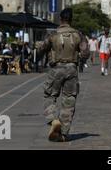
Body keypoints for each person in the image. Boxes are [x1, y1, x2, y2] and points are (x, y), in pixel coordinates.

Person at [37, 8, 90, 142]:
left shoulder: (53, 34)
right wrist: (80, 61)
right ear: (71, 19)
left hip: (56, 68)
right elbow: (85, 52)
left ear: (61, 19)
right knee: (69, 99)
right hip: (72, 69)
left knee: (50, 95)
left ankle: (53, 120)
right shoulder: (78, 34)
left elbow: (41, 49)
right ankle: (64, 133)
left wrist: (41, 58)